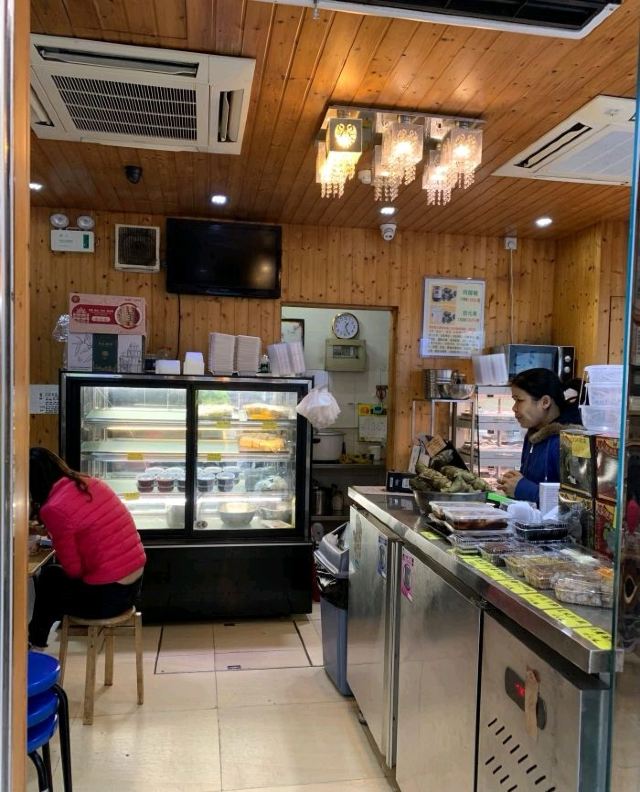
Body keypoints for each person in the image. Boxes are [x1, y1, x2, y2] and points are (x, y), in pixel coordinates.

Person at [28, 447, 146, 649]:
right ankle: (35, 638)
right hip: (135, 586)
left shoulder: (53, 508)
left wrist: (55, 537)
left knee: (49, 578)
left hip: (109, 597)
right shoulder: (89, 482)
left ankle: (34, 642)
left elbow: (73, 571)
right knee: (53, 581)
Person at [498, 368, 581, 504]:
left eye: (519, 400)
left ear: (545, 402)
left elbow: (575, 503)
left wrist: (522, 488)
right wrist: (513, 483)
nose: (514, 408)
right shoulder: (533, 436)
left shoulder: (569, 442)